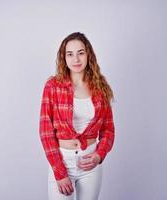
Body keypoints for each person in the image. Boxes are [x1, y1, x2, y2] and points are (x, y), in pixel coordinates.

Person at [39, 32, 115, 200]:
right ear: (63, 58)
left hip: (90, 165)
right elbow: (46, 132)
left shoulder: (100, 87)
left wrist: (98, 155)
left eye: (81, 53)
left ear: (88, 55)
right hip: (62, 161)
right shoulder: (53, 86)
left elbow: (108, 130)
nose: (76, 59)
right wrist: (59, 172)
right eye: (70, 54)